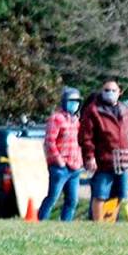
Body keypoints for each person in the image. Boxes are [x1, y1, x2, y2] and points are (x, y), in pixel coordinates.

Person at [79, 79, 128, 221]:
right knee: (100, 194)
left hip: (122, 160)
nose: (110, 93)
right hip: (103, 160)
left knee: (119, 194)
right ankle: (98, 222)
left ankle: (110, 219)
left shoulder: (125, 110)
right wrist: (90, 157)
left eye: (113, 90)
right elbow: (86, 137)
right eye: (106, 90)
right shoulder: (93, 110)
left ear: (120, 93)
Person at [38, 86, 84, 221]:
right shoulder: (56, 118)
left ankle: (65, 225)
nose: (74, 103)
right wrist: (59, 160)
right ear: (64, 101)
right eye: (71, 100)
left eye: (77, 101)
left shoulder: (77, 120)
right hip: (60, 167)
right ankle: (40, 222)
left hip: (75, 167)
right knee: (52, 197)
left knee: (72, 201)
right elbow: (49, 141)